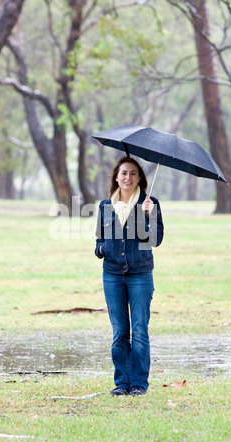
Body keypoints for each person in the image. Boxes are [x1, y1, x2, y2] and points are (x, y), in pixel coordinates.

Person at [95, 155, 164, 396]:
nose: (128, 177)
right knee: (120, 332)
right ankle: (121, 383)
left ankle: (138, 384)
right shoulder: (105, 206)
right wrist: (103, 249)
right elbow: (98, 243)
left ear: (140, 178)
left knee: (140, 330)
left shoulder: (150, 202)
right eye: (124, 172)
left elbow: (155, 240)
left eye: (134, 173)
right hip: (112, 275)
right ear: (116, 177)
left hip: (140, 274)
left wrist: (149, 215)